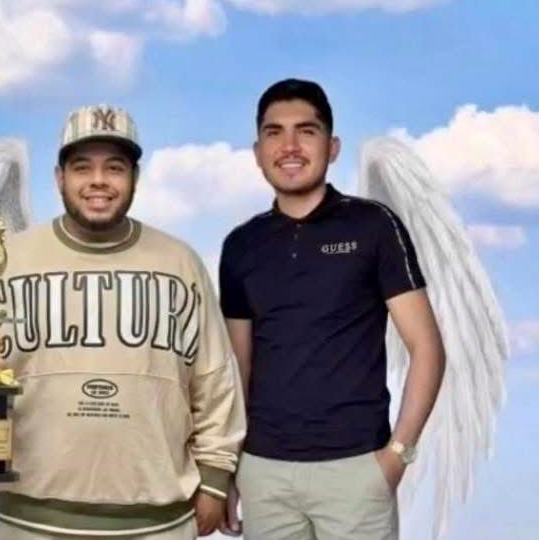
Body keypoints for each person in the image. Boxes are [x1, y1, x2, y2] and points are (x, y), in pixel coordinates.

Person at [0, 104, 246, 540]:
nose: (98, 180)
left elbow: (215, 381)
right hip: (31, 521)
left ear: (135, 178)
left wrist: (214, 479)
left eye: (114, 167)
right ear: (59, 177)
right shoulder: (9, 259)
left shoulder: (180, 263)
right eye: (82, 167)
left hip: (158, 522)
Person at [218, 79, 446, 540]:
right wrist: (229, 468)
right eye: (274, 133)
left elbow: (427, 348)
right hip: (264, 473)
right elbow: (238, 367)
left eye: (307, 131)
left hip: (356, 471)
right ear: (258, 152)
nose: (289, 146)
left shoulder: (373, 226)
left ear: (333, 146)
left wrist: (397, 456)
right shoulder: (241, 246)